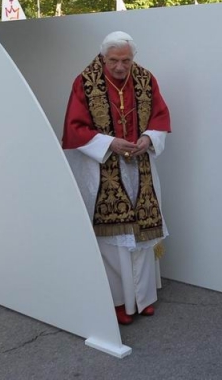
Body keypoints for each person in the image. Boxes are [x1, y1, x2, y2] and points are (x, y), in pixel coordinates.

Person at [62, 31, 171, 325]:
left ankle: (144, 297)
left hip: (140, 166)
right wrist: (109, 143)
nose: (121, 67)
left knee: (142, 234)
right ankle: (120, 301)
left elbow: (160, 116)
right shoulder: (85, 82)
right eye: (114, 61)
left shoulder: (146, 79)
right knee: (114, 241)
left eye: (126, 60)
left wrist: (148, 139)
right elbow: (74, 128)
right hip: (105, 169)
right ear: (103, 57)